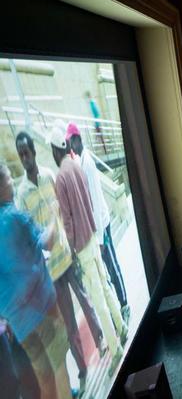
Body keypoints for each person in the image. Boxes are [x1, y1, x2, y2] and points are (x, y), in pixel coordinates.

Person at [16, 131, 104, 387]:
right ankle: (82, 367)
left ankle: (100, 340)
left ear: (33, 151)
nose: (24, 158)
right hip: (50, 270)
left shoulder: (49, 175)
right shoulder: (22, 193)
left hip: (67, 254)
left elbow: (63, 209)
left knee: (86, 300)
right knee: (68, 320)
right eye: (20, 155)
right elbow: (28, 234)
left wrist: (69, 241)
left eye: (27, 153)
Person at [50, 122, 126, 356]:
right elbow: (89, 202)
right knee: (105, 286)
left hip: (81, 246)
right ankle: (121, 327)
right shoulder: (76, 166)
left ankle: (116, 350)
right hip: (93, 237)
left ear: (55, 150)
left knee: (97, 296)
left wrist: (71, 248)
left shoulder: (61, 177)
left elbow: (68, 221)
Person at [0, 163, 73, 399]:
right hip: (43, 310)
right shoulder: (15, 218)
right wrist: (54, 214)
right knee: (59, 366)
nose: (13, 182)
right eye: (9, 178)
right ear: (1, 185)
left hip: (20, 327)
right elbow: (48, 242)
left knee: (45, 380)